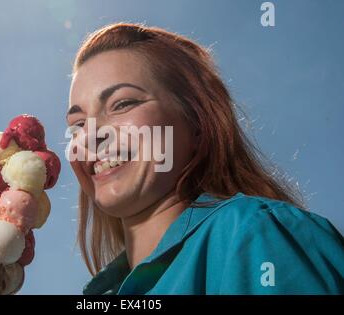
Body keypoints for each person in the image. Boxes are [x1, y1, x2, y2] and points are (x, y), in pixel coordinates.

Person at [65, 22, 344, 294]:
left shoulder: (254, 234)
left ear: (197, 122)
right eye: (77, 124)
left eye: (123, 103)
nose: (89, 135)